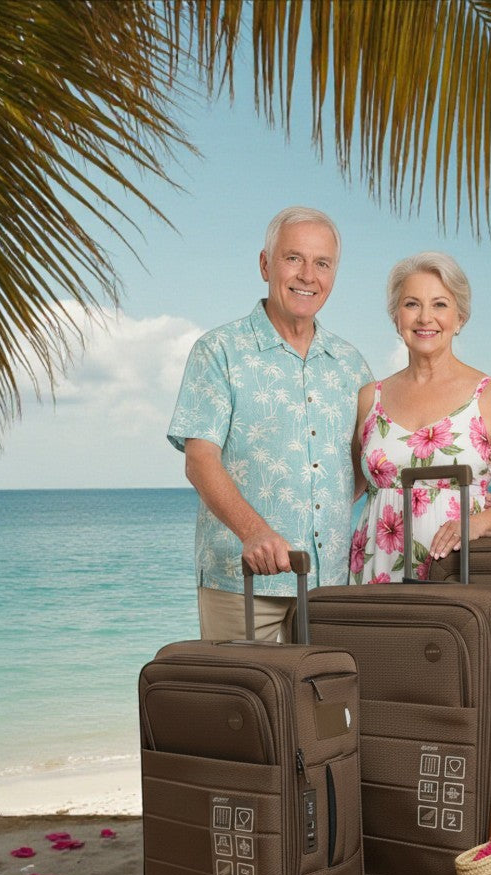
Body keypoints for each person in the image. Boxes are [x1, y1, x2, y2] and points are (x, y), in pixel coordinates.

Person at [168, 206, 372, 640]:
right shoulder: (218, 351)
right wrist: (254, 531)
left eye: (322, 263)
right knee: (242, 705)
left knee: (324, 703)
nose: (307, 275)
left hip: (329, 584)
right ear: (265, 264)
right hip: (239, 580)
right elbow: (199, 460)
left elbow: (360, 465)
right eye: (293, 258)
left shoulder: (351, 365)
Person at [349, 251, 491, 583]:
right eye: (411, 304)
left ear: (460, 318)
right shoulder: (369, 398)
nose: (425, 318)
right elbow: (348, 487)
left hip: (456, 568)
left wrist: (474, 524)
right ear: (396, 317)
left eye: (440, 304)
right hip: (375, 568)